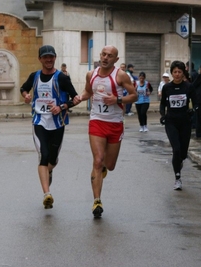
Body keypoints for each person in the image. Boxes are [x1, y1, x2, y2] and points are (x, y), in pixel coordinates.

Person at [75, 45, 137, 218]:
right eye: (103, 54)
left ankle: (103, 169)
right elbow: (88, 92)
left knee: (109, 165)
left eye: (110, 56)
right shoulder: (91, 74)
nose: (105, 58)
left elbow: (134, 95)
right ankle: (97, 201)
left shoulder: (120, 75)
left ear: (116, 60)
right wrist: (80, 97)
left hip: (115, 123)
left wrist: (117, 99)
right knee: (97, 160)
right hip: (97, 121)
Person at [20, 45, 80, 210]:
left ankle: (49, 171)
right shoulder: (34, 76)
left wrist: (61, 107)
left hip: (58, 123)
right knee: (43, 156)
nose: (48, 60)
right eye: (45, 57)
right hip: (39, 121)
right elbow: (23, 88)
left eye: (51, 57)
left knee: (52, 159)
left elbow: (75, 99)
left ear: (54, 58)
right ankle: (47, 195)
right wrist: (26, 95)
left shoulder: (61, 78)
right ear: (40, 59)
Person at [159, 60, 195, 190]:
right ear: (172, 73)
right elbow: (163, 103)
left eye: (180, 72)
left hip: (185, 122)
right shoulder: (167, 87)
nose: (177, 74)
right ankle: (178, 178)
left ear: (183, 72)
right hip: (171, 122)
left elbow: (194, 102)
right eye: (175, 72)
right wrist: (163, 115)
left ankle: (179, 162)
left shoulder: (188, 87)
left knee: (183, 153)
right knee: (176, 149)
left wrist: (192, 111)